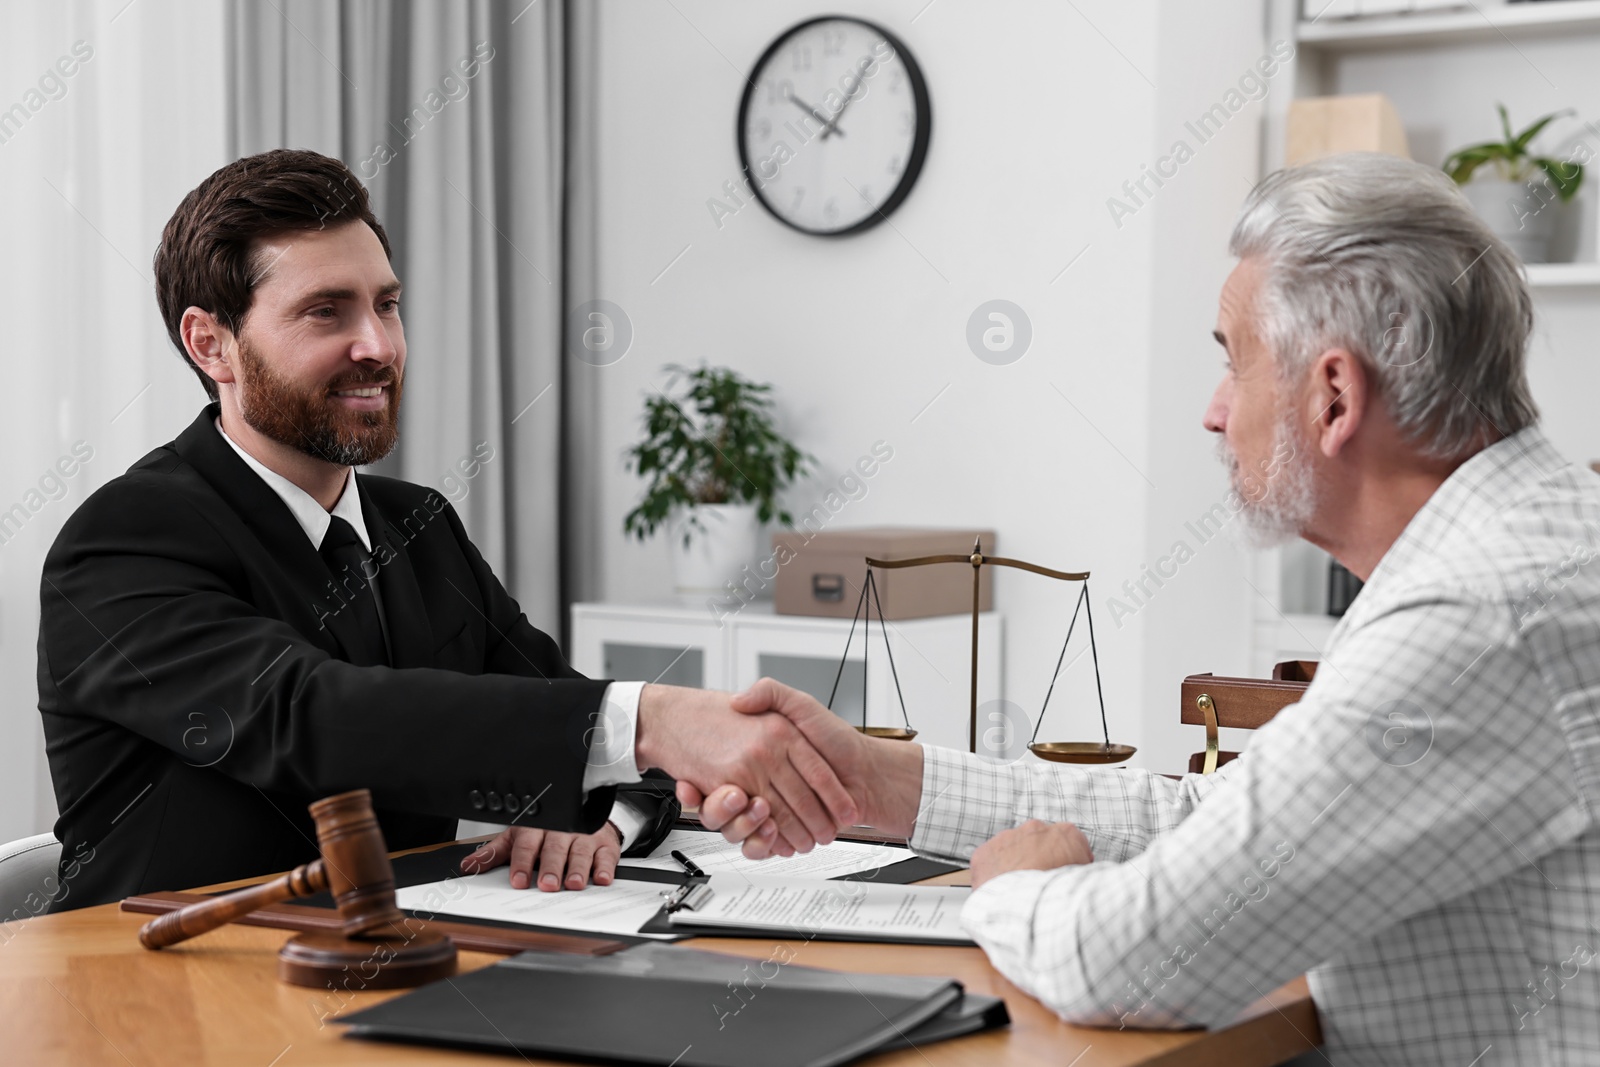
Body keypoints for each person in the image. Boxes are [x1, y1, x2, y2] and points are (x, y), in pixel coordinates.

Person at [694, 153, 1600, 1063]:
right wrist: (877, 779)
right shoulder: (1529, 543)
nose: (1213, 414)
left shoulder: (1477, 618)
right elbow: (1219, 820)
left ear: (1333, 395)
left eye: (1233, 363)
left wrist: (1012, 887)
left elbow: (1135, 961)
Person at [37, 149, 850, 911]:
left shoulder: (417, 524)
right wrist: (651, 722)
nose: (379, 345)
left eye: (386, 304)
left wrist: (603, 819)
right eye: (327, 312)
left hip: (392, 975)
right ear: (211, 343)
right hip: (162, 999)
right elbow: (311, 716)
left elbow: (570, 722)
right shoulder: (122, 539)